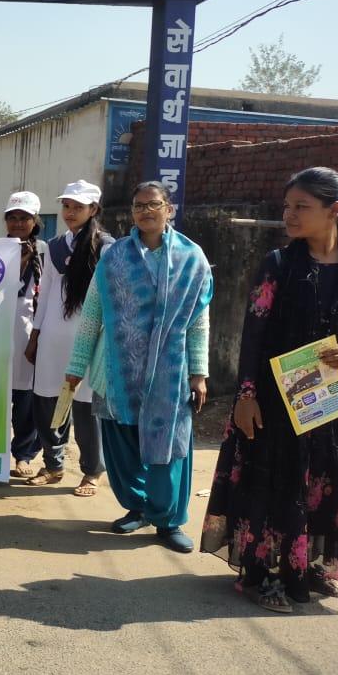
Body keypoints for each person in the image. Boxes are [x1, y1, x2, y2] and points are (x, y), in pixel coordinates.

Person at [201, 167, 338, 611]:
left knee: (326, 481)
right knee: (275, 481)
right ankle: (262, 574)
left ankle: (307, 567)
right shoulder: (278, 265)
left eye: (301, 207)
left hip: (333, 401)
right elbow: (253, 334)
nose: (289, 215)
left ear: (334, 210)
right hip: (275, 400)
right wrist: (245, 396)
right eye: (286, 206)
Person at [65, 181, 212, 553]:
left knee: (168, 448)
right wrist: (77, 365)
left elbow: (198, 320)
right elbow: (92, 314)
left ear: (169, 209)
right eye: (138, 206)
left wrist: (199, 373)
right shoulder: (114, 257)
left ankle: (168, 520)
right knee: (122, 445)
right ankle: (138, 507)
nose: (146, 211)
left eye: (153, 204)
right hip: (117, 371)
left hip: (170, 373)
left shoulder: (191, 258)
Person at [24, 180, 111, 495]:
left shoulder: (106, 247)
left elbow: (109, 299)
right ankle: (53, 464)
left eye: (78, 207)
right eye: (66, 206)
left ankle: (92, 470)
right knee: (48, 401)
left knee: (86, 407)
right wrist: (36, 335)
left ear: (93, 209)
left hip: (89, 339)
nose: (70, 212)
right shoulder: (55, 246)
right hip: (53, 338)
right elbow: (46, 293)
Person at [3, 191, 45, 477]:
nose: (18, 223)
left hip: (30, 334)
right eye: (13, 217)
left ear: (35, 220)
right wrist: (18, 262)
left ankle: (23, 455)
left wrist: (38, 337)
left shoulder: (46, 252)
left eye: (24, 218)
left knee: (26, 401)